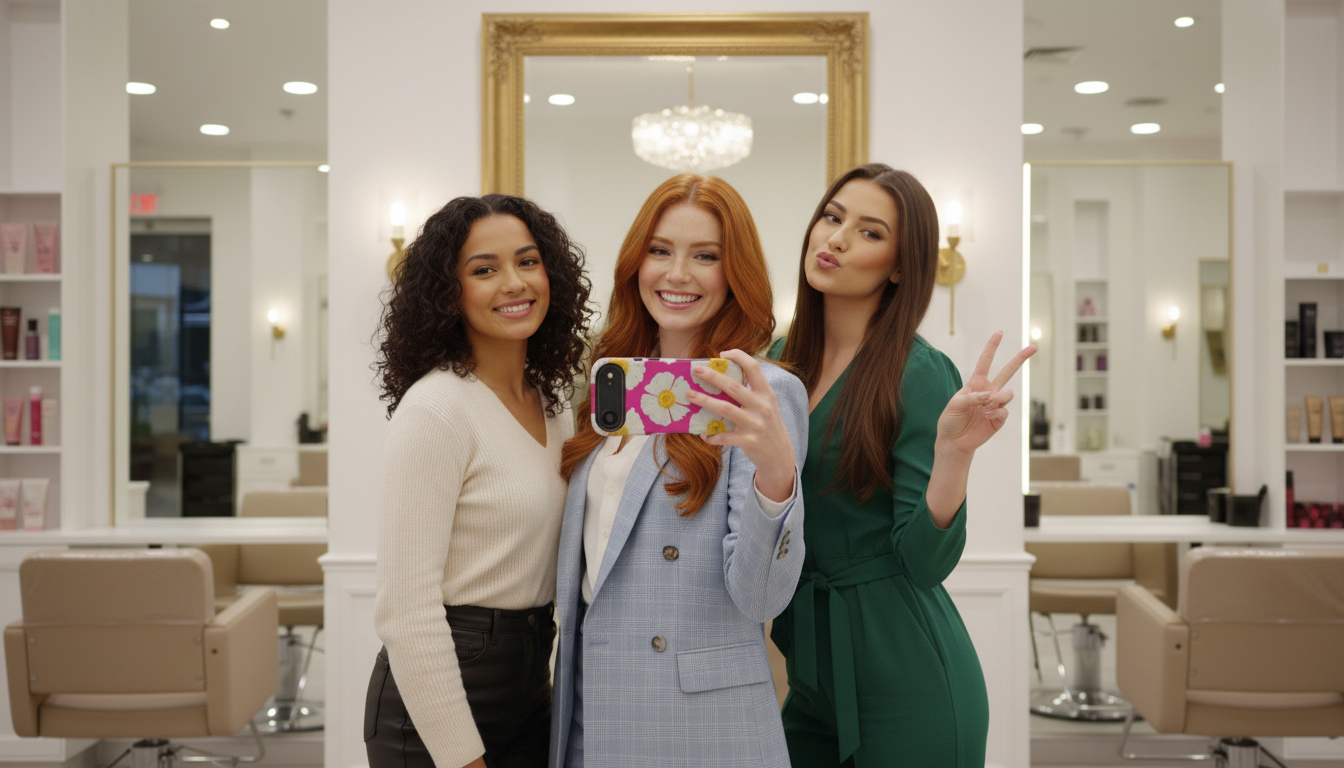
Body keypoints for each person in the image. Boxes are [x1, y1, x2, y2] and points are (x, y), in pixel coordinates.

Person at [768, 163, 1036, 768]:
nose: (834, 238)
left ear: (900, 266)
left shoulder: (918, 372)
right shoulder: (779, 363)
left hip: (906, 674)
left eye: (868, 232)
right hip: (810, 672)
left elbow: (925, 562)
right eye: (832, 217)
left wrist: (954, 455)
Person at [550, 174, 808, 768]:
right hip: (592, 705)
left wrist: (776, 474)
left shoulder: (763, 393)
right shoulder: (606, 388)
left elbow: (761, 596)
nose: (676, 274)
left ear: (734, 271)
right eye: (660, 250)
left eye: (706, 256)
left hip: (701, 726)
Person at [366, 194, 593, 768]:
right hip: (438, 702)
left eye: (528, 261)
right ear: (449, 292)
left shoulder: (553, 404)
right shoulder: (438, 408)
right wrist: (460, 756)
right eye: (484, 270)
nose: (514, 283)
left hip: (531, 685)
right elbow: (407, 611)